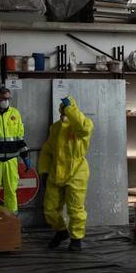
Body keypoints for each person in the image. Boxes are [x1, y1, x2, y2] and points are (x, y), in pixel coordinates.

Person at [40, 95, 94, 251]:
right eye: (62, 110)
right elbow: (47, 150)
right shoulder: (55, 128)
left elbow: (84, 128)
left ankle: (76, 239)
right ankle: (61, 231)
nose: (64, 113)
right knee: (50, 208)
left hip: (76, 172)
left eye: (67, 110)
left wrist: (70, 109)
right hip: (56, 172)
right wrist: (44, 170)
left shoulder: (81, 126)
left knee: (75, 208)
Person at [0, 86, 31, 213]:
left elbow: (19, 137)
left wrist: (25, 156)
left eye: (8, 98)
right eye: (4, 98)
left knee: (11, 191)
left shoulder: (15, 113)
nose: (6, 101)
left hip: (11, 160)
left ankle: (12, 222)